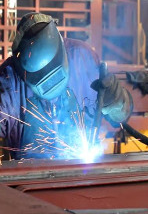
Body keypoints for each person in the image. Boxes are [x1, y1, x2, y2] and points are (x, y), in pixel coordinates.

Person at [0, 12, 133, 159]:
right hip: (31, 179)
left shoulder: (82, 57)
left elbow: (118, 120)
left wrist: (119, 107)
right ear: (22, 69)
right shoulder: (8, 82)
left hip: (87, 172)